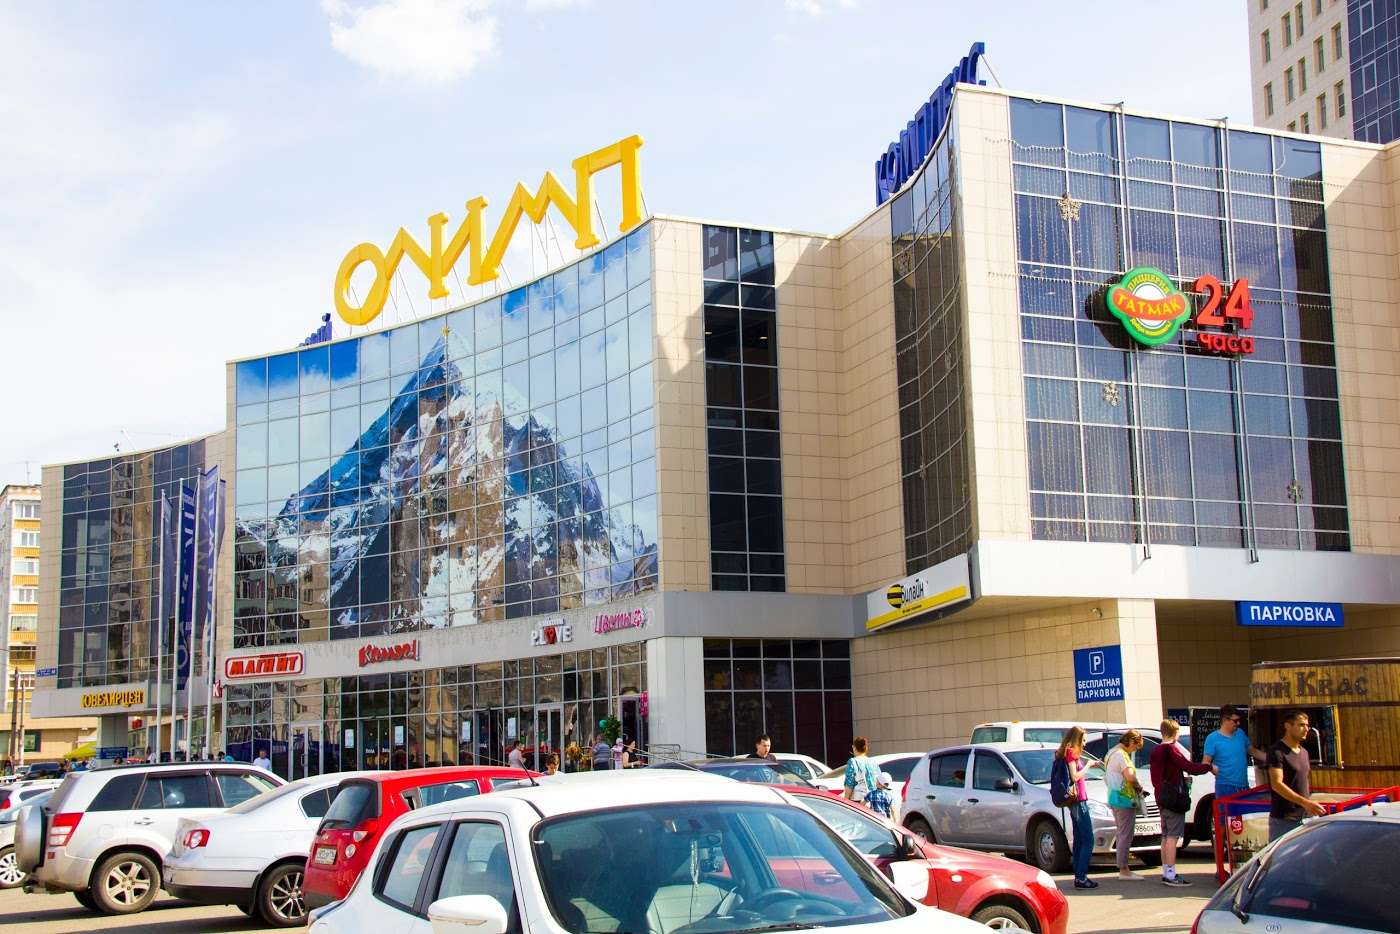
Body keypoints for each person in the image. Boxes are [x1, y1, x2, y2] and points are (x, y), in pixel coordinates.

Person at [1149, 719, 1217, 886]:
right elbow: (1188, 767)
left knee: (1165, 836)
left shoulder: (1156, 749)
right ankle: (1171, 874)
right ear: (1175, 732)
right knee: (1173, 836)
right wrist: (1209, 767)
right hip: (1174, 798)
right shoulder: (1171, 749)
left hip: (1161, 797)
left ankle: (1166, 871)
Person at [1266, 710, 1325, 841]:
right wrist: (1305, 803)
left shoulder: (1304, 752)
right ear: (1288, 726)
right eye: (1301, 725)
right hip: (1284, 820)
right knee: (1280, 854)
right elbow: (1277, 784)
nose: (1306, 729)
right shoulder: (1276, 751)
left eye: (1307, 725)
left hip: (1307, 818)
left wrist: (1309, 805)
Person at [1056, 726, 1097, 889]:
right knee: (1088, 839)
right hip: (1078, 800)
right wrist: (1088, 766)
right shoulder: (1071, 753)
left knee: (1079, 838)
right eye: (1083, 740)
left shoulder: (1065, 751)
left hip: (1075, 800)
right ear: (1077, 739)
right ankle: (1081, 877)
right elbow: (1075, 776)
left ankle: (1079, 875)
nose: (1085, 744)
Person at [1202, 705, 1265, 806]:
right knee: (1227, 815)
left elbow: (1252, 751)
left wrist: (1271, 757)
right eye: (1235, 721)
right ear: (1225, 720)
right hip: (1225, 786)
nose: (1238, 723)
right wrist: (1212, 768)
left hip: (1244, 785)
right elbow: (1205, 762)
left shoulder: (1240, 733)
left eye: (1239, 720)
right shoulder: (1212, 738)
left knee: (1245, 815)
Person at [1105, 729, 1145, 880]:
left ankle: (1123, 867)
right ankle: (1124, 869)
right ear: (1131, 741)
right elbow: (1130, 776)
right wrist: (1139, 787)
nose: (1134, 750)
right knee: (1125, 834)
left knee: (1122, 832)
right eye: (1135, 747)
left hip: (1114, 798)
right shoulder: (1121, 755)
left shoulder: (1111, 752)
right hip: (1124, 799)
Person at [842, 736, 879, 804]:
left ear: (854, 747)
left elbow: (850, 783)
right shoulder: (873, 762)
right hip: (872, 800)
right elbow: (879, 780)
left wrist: (845, 800)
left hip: (858, 800)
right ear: (866, 748)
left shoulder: (853, 761)